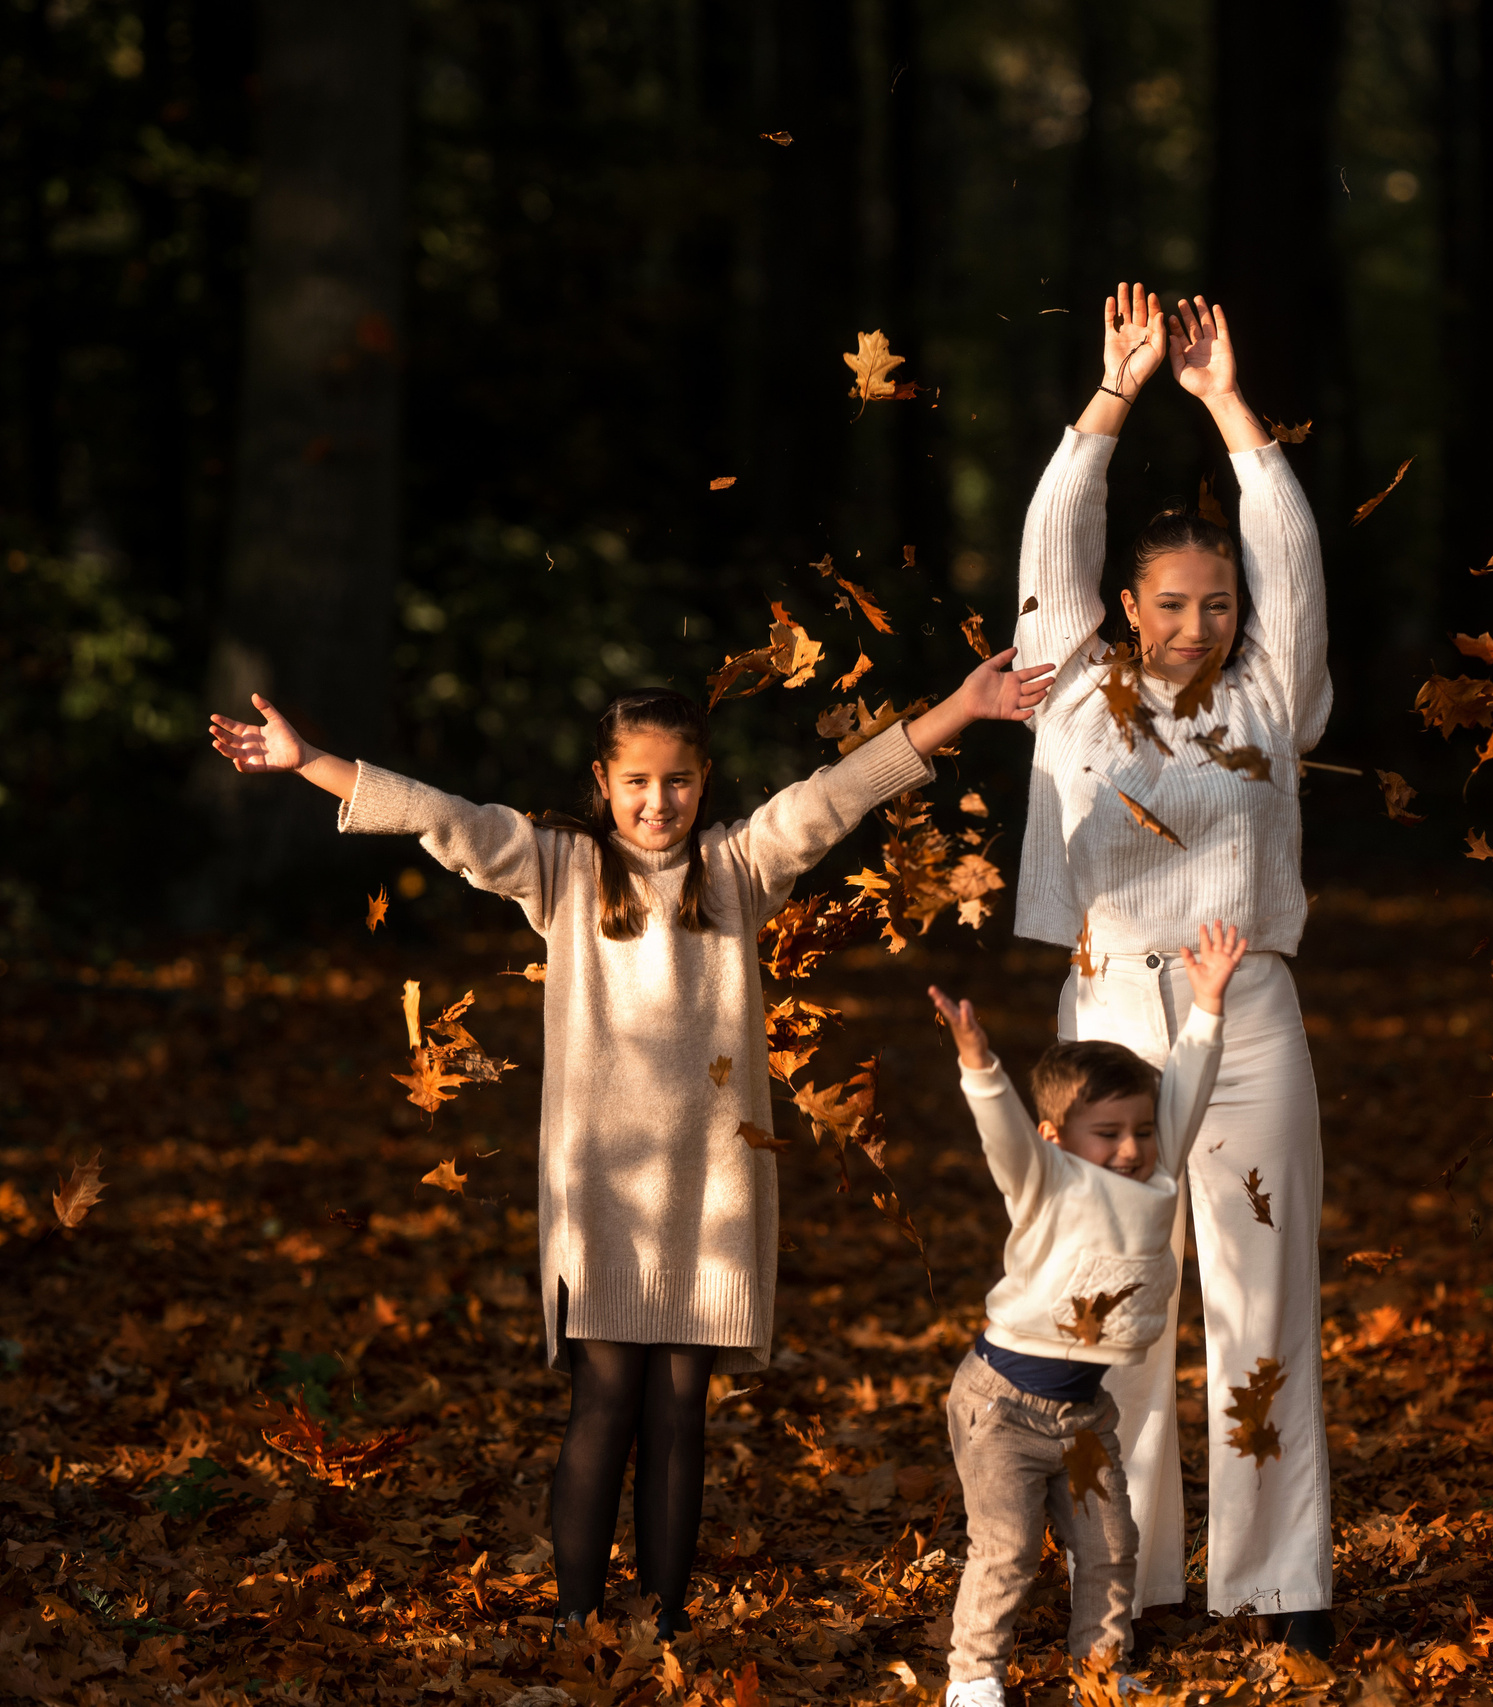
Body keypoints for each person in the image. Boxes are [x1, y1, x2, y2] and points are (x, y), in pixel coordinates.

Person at [205, 656, 1053, 1640]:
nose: (660, 801)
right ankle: (577, 1621)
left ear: (705, 778)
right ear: (603, 783)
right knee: (605, 1400)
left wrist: (961, 708)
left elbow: (838, 794)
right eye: (638, 781)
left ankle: (662, 1625)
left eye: (679, 780)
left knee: (681, 1410)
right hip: (602, 1194)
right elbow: (446, 821)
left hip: (712, 1194)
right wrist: (312, 762)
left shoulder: (739, 866)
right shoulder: (560, 870)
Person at [1006, 283, 1335, 1649]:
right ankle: (1122, 1581)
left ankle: (1279, 1585)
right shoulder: (1074, 693)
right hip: (1112, 1018)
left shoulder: (1272, 696)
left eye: (1218, 604)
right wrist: (1116, 395)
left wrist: (1225, 403)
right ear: (1126, 605)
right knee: (1115, 1302)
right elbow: (1051, 538)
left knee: (1262, 1296)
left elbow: (1292, 555)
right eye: (1172, 604)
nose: (1196, 624)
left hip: (1247, 1012)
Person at [923, 920, 1248, 1707]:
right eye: (1107, 1134)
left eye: (1141, 1130)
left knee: (1109, 1545)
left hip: (1082, 1415)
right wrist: (979, 1065)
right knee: (1006, 1549)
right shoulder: (1045, 1183)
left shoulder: (1154, 1174)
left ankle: (1101, 1671)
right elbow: (1002, 1135)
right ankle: (973, 1677)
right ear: (1056, 1138)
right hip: (1001, 1406)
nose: (1131, 1148)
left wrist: (1207, 1006)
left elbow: (1187, 1087)